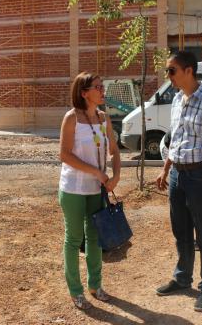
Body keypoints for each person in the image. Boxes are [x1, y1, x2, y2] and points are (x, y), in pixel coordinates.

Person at [155, 50, 202, 312]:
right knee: (181, 232)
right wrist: (166, 170)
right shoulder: (177, 99)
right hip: (178, 175)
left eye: (171, 70)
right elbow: (176, 139)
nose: (168, 76)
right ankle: (182, 278)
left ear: (188, 70)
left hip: (201, 176)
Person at [58, 72, 121, 310]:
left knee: (95, 238)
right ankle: (76, 291)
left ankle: (95, 285)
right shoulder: (71, 118)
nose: (102, 90)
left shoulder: (104, 118)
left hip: (97, 189)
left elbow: (114, 150)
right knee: (74, 239)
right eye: (98, 87)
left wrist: (116, 176)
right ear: (84, 93)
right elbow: (64, 155)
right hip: (73, 188)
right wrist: (97, 173)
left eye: (102, 85)